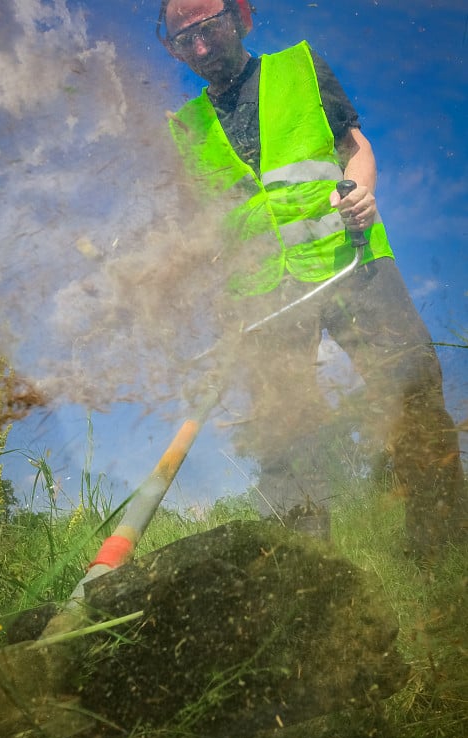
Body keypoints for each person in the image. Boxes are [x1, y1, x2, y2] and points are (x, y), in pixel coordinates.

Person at [156, 0, 466, 555]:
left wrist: (363, 192)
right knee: (284, 429)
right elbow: (196, 230)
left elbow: (356, 149)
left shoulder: (299, 68)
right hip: (262, 296)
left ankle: (441, 548)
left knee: (411, 382)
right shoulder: (184, 129)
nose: (199, 48)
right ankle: (305, 571)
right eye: (184, 40)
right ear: (171, 47)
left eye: (208, 28)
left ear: (240, 18)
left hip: (353, 261)